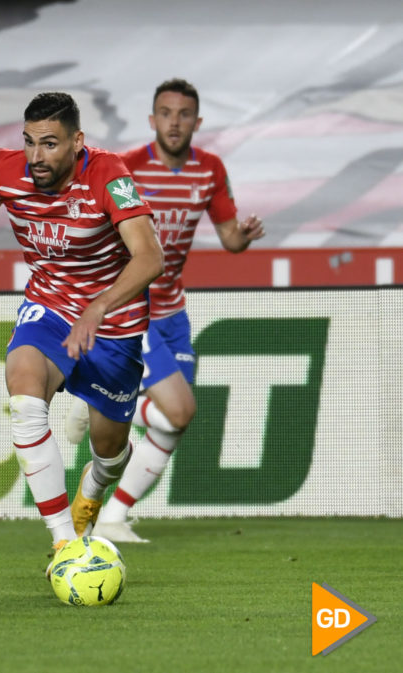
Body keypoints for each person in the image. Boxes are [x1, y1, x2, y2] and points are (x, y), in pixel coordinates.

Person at [0, 92, 163, 569]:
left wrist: (99, 307)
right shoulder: (10, 168)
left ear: (77, 141)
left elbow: (151, 257)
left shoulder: (110, 174)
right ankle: (66, 542)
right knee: (24, 395)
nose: (35, 157)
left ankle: (94, 489)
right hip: (49, 306)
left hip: (114, 325)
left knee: (110, 453)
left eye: (49, 144)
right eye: (28, 142)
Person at [74, 78, 265, 543]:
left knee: (174, 422)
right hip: (132, 308)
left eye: (183, 115)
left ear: (197, 123)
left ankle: (115, 517)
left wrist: (243, 234)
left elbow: (229, 240)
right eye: (165, 113)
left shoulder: (210, 170)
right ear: (151, 119)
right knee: (177, 411)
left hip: (173, 312)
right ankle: (99, 400)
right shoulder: (128, 169)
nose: (174, 122)